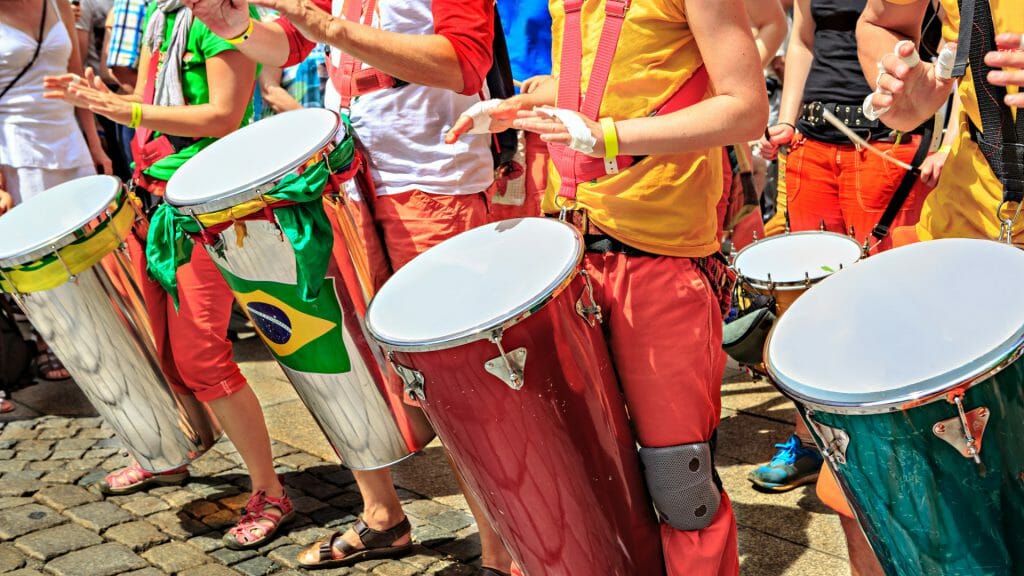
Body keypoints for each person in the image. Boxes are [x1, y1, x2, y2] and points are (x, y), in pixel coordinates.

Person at [178, 0, 517, 573]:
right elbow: (288, 45)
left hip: (435, 181)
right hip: (345, 179)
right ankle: (383, 516)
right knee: (345, 358)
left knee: (459, 381)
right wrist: (229, 23)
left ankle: (502, 552)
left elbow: (464, 61)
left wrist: (328, 27)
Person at [448, 0, 767, 573]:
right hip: (571, 258)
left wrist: (608, 137)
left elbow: (746, 108)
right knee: (585, 469)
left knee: (680, 483)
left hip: (660, 263)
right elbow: (601, 88)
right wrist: (519, 107)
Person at [43, 1, 303, 551]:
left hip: (203, 205)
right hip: (155, 197)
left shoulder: (220, 17)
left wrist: (121, 109)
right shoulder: (163, 17)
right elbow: (141, 104)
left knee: (202, 355)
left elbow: (222, 116)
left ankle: (270, 491)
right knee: (159, 350)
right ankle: (170, 457)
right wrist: (103, 100)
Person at [749, 0, 949, 497]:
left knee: (887, 301)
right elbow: (801, 39)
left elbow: (958, 51)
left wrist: (947, 141)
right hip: (812, 141)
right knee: (808, 304)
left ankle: (896, 446)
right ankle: (811, 439)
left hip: (888, 141)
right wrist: (787, 123)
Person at [1, 0, 112, 382]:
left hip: (68, 139)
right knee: (38, 256)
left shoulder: (57, 3)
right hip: (15, 148)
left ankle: (99, 335)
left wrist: (95, 146)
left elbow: (76, 80)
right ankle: (49, 344)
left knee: (86, 246)